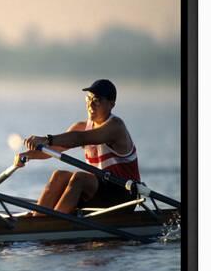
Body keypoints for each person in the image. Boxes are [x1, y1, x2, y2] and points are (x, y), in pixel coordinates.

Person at [17, 79, 140, 215]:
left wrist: (47, 139)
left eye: (97, 100)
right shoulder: (81, 127)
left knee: (80, 178)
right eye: (88, 99)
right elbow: (52, 150)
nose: (91, 105)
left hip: (124, 195)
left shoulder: (116, 126)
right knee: (59, 176)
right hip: (100, 192)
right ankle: (38, 219)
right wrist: (27, 156)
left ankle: (55, 224)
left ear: (111, 104)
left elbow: (80, 138)